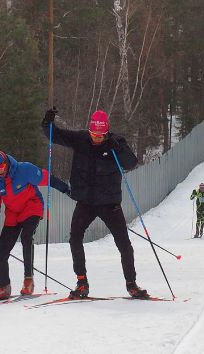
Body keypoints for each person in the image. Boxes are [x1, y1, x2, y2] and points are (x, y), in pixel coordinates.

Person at [42, 108, 148, 299]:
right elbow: (53, 136)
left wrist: (118, 147)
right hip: (86, 202)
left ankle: (131, 284)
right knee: (75, 238)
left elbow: (131, 163)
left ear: (106, 132)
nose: (96, 138)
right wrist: (47, 123)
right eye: (93, 134)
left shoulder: (116, 143)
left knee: (124, 243)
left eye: (100, 135)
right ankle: (82, 282)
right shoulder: (81, 139)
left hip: (110, 203)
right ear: (89, 130)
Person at [0, 150, 70, 301]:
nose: (0, 170)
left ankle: (28, 279)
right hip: (13, 214)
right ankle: (4, 287)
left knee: (26, 236)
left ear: (7, 163)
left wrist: (67, 189)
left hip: (32, 206)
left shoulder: (24, 170)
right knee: (1, 253)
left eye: (2, 166)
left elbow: (48, 179)